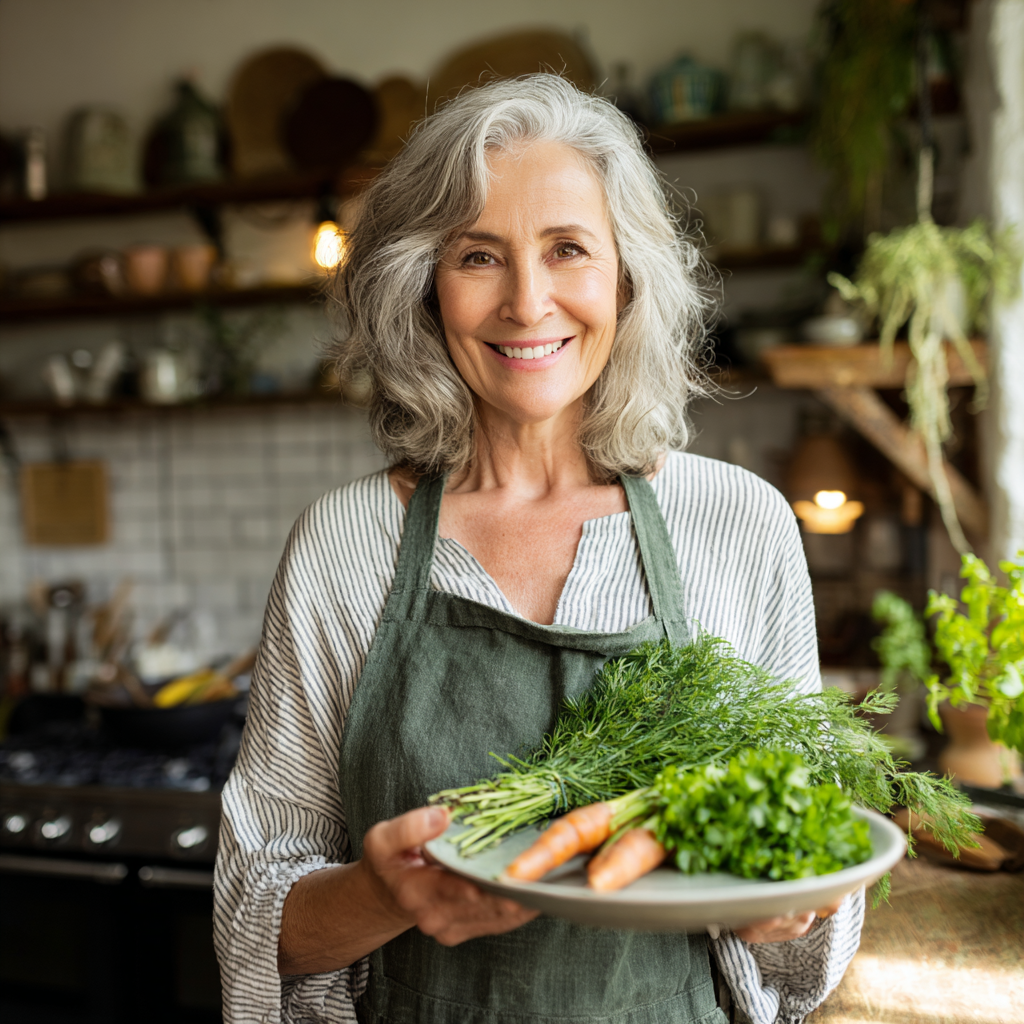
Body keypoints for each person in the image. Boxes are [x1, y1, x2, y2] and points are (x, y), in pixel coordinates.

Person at [214, 74, 864, 1024]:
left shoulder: (738, 523)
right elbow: (253, 923)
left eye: (568, 249)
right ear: (423, 288)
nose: (527, 302)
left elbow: (810, 923)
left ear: (626, 277)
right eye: (479, 256)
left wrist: (788, 906)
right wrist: (384, 896)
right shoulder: (345, 545)